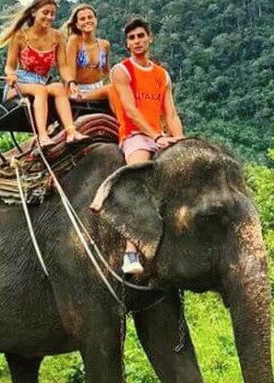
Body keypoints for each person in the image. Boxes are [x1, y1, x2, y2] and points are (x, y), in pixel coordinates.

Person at [109, 18, 185, 275]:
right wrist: (156, 136)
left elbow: (170, 113)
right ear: (127, 44)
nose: (137, 41)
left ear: (150, 38)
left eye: (141, 36)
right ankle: (130, 252)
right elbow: (130, 109)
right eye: (131, 38)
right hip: (135, 136)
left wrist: (180, 141)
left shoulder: (162, 75)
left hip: (160, 135)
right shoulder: (122, 70)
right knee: (138, 183)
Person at [0, 0, 88, 147]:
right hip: (20, 83)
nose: (49, 17)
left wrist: (71, 82)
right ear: (34, 13)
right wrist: (11, 75)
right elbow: (9, 66)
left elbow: (63, 66)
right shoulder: (20, 36)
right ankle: (42, 136)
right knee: (40, 90)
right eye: (45, 13)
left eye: (52, 14)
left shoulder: (57, 37)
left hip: (41, 81)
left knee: (58, 87)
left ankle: (71, 131)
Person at [64, 4, 110, 100]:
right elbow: (70, 70)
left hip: (98, 88)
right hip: (78, 89)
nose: (87, 21)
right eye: (82, 19)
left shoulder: (105, 44)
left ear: (95, 20)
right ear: (77, 24)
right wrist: (72, 84)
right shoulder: (74, 41)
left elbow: (107, 71)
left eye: (90, 17)